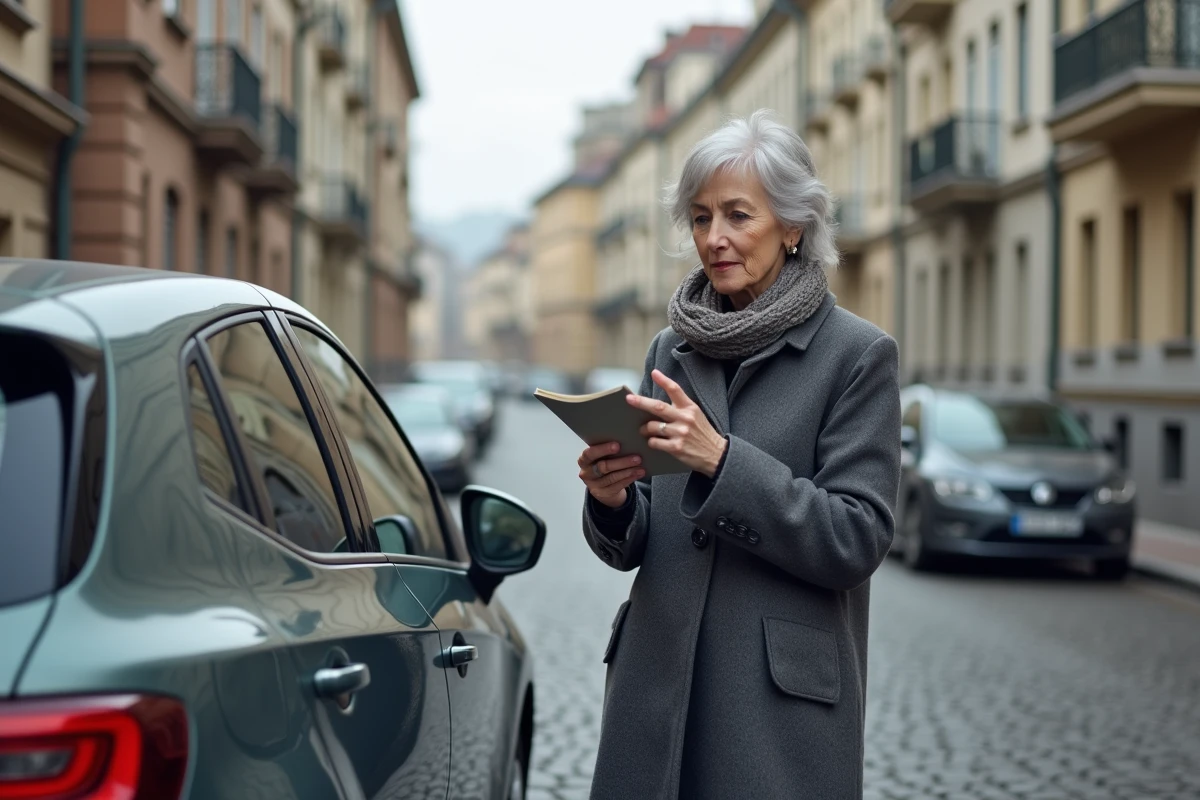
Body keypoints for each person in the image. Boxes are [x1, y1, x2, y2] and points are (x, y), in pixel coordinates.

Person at [577, 110, 901, 800]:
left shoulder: (856, 356)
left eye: (736, 215)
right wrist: (611, 501)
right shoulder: (670, 350)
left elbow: (856, 537)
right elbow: (638, 539)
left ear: (793, 226)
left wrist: (724, 463)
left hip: (773, 714)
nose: (714, 239)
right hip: (656, 689)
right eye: (699, 218)